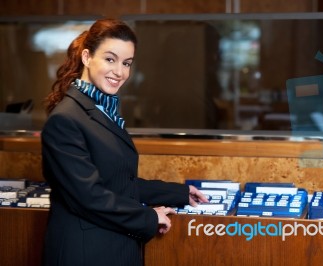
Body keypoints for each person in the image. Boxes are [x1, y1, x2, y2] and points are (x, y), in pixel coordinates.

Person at [41, 18, 208, 266]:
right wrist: (149, 218)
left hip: (112, 246)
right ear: (87, 57)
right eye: (110, 59)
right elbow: (89, 197)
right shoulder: (65, 119)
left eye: (126, 63)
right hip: (86, 253)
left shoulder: (104, 110)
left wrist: (180, 193)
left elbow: (118, 182)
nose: (120, 72)